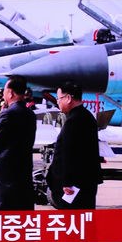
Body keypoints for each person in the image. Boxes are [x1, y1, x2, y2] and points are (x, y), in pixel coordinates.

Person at [46, 79, 102, 209]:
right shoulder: (86, 116)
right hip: (85, 181)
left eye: (59, 98)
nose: (58, 102)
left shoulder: (74, 120)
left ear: (69, 98)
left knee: (74, 221)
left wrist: (67, 182)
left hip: (74, 186)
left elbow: (69, 153)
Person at [0, 76, 37, 212]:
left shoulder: (8, 114)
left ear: (11, 93)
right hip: (23, 171)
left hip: (5, 173)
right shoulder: (30, 114)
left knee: (6, 211)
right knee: (23, 212)